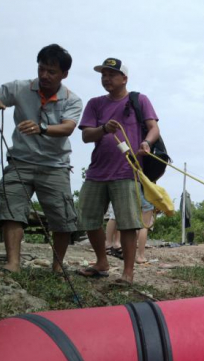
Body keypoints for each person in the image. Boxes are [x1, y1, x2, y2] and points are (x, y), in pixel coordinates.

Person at [0, 44, 83, 273]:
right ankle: (13, 263)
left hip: (55, 166)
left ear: (64, 74)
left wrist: (41, 128)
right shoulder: (19, 88)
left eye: (51, 72)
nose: (44, 75)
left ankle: (57, 265)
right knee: (11, 210)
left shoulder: (72, 100)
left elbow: (67, 128)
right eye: (41, 69)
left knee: (63, 218)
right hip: (20, 162)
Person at [75, 57, 160, 283]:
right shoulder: (95, 103)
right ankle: (101, 262)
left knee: (128, 223)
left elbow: (153, 128)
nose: (106, 78)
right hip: (96, 172)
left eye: (112, 74)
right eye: (103, 75)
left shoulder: (138, 100)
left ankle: (128, 273)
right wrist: (103, 128)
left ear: (124, 78)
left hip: (127, 171)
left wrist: (146, 143)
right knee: (88, 219)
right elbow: (85, 136)